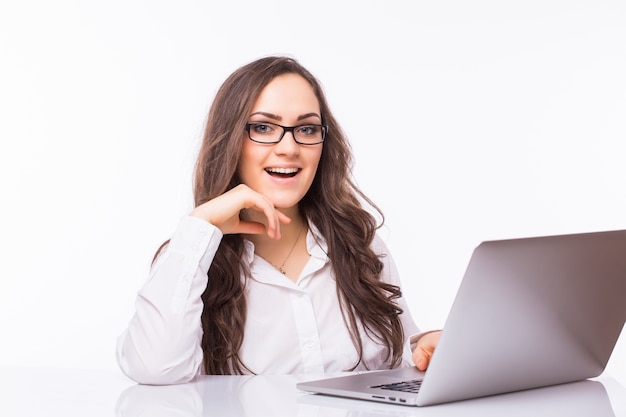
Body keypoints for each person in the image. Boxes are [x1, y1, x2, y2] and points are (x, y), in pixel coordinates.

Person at [116, 56, 441, 385]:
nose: (289, 147)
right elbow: (154, 368)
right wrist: (201, 224)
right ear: (230, 141)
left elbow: (398, 354)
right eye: (263, 127)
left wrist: (423, 347)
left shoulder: (361, 245)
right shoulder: (191, 259)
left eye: (306, 129)